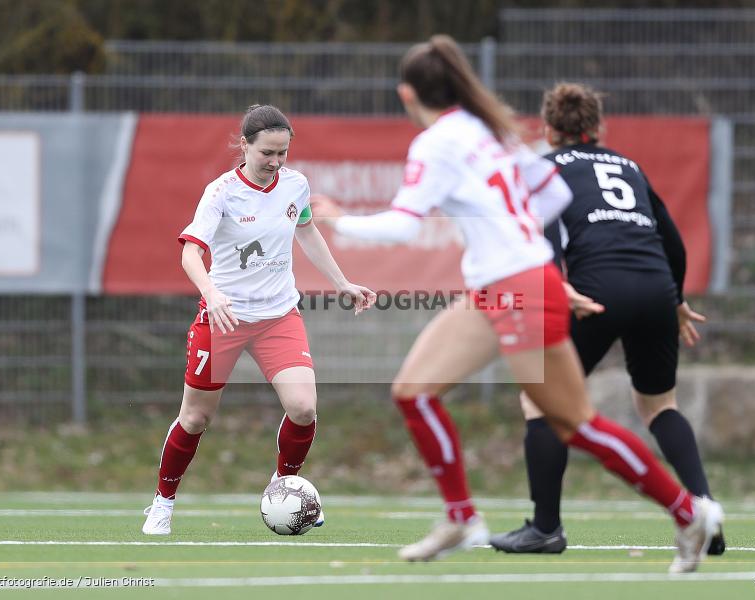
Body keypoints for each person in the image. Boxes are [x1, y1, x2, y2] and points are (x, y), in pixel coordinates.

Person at [311, 35, 723, 572]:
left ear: (406, 94)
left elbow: (402, 224)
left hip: (517, 286)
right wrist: (522, 244)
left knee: (573, 422)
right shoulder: (490, 130)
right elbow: (553, 195)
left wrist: (337, 219)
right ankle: (462, 517)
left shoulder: (438, 142)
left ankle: (687, 512)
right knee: (415, 392)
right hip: (508, 284)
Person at [487, 82, 725, 556]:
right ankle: (705, 513)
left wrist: (559, 282)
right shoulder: (629, 167)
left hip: (595, 291)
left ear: (549, 130)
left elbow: (545, 232)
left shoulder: (545, 166)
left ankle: (546, 527)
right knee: (659, 406)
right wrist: (675, 300)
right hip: (656, 288)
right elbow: (672, 240)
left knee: (541, 403)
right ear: (599, 128)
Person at [142, 104, 376, 535]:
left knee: (304, 409)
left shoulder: (295, 185)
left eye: (282, 153)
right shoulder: (221, 192)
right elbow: (189, 252)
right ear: (244, 145)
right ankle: (163, 502)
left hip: (278, 316)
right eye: (267, 152)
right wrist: (211, 294)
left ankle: (282, 487)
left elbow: (306, 229)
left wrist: (341, 282)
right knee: (196, 419)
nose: (275, 162)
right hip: (224, 318)